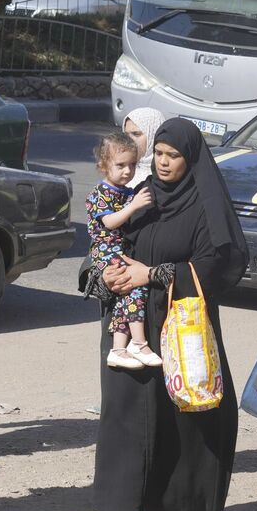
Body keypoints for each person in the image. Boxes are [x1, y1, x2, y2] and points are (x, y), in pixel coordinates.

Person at [67, 118, 249, 511]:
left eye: (174, 156)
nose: (163, 164)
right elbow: (102, 240)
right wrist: (103, 274)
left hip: (178, 325)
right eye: (160, 155)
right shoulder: (139, 197)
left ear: (191, 159)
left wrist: (153, 274)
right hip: (126, 323)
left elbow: (215, 266)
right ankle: (108, 508)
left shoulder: (203, 207)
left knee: (181, 417)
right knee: (120, 412)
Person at [86, 131, 157, 370]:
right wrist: (134, 205)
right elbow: (109, 222)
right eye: (120, 165)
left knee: (125, 297)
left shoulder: (127, 191)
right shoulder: (101, 193)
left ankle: (118, 348)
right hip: (106, 250)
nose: (127, 171)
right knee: (134, 286)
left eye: (132, 165)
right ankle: (138, 342)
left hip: (119, 251)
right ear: (103, 165)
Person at [122, 107, 165, 184]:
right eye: (126, 134)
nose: (128, 140)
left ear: (153, 135)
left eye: (136, 134)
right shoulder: (119, 168)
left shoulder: (166, 173)